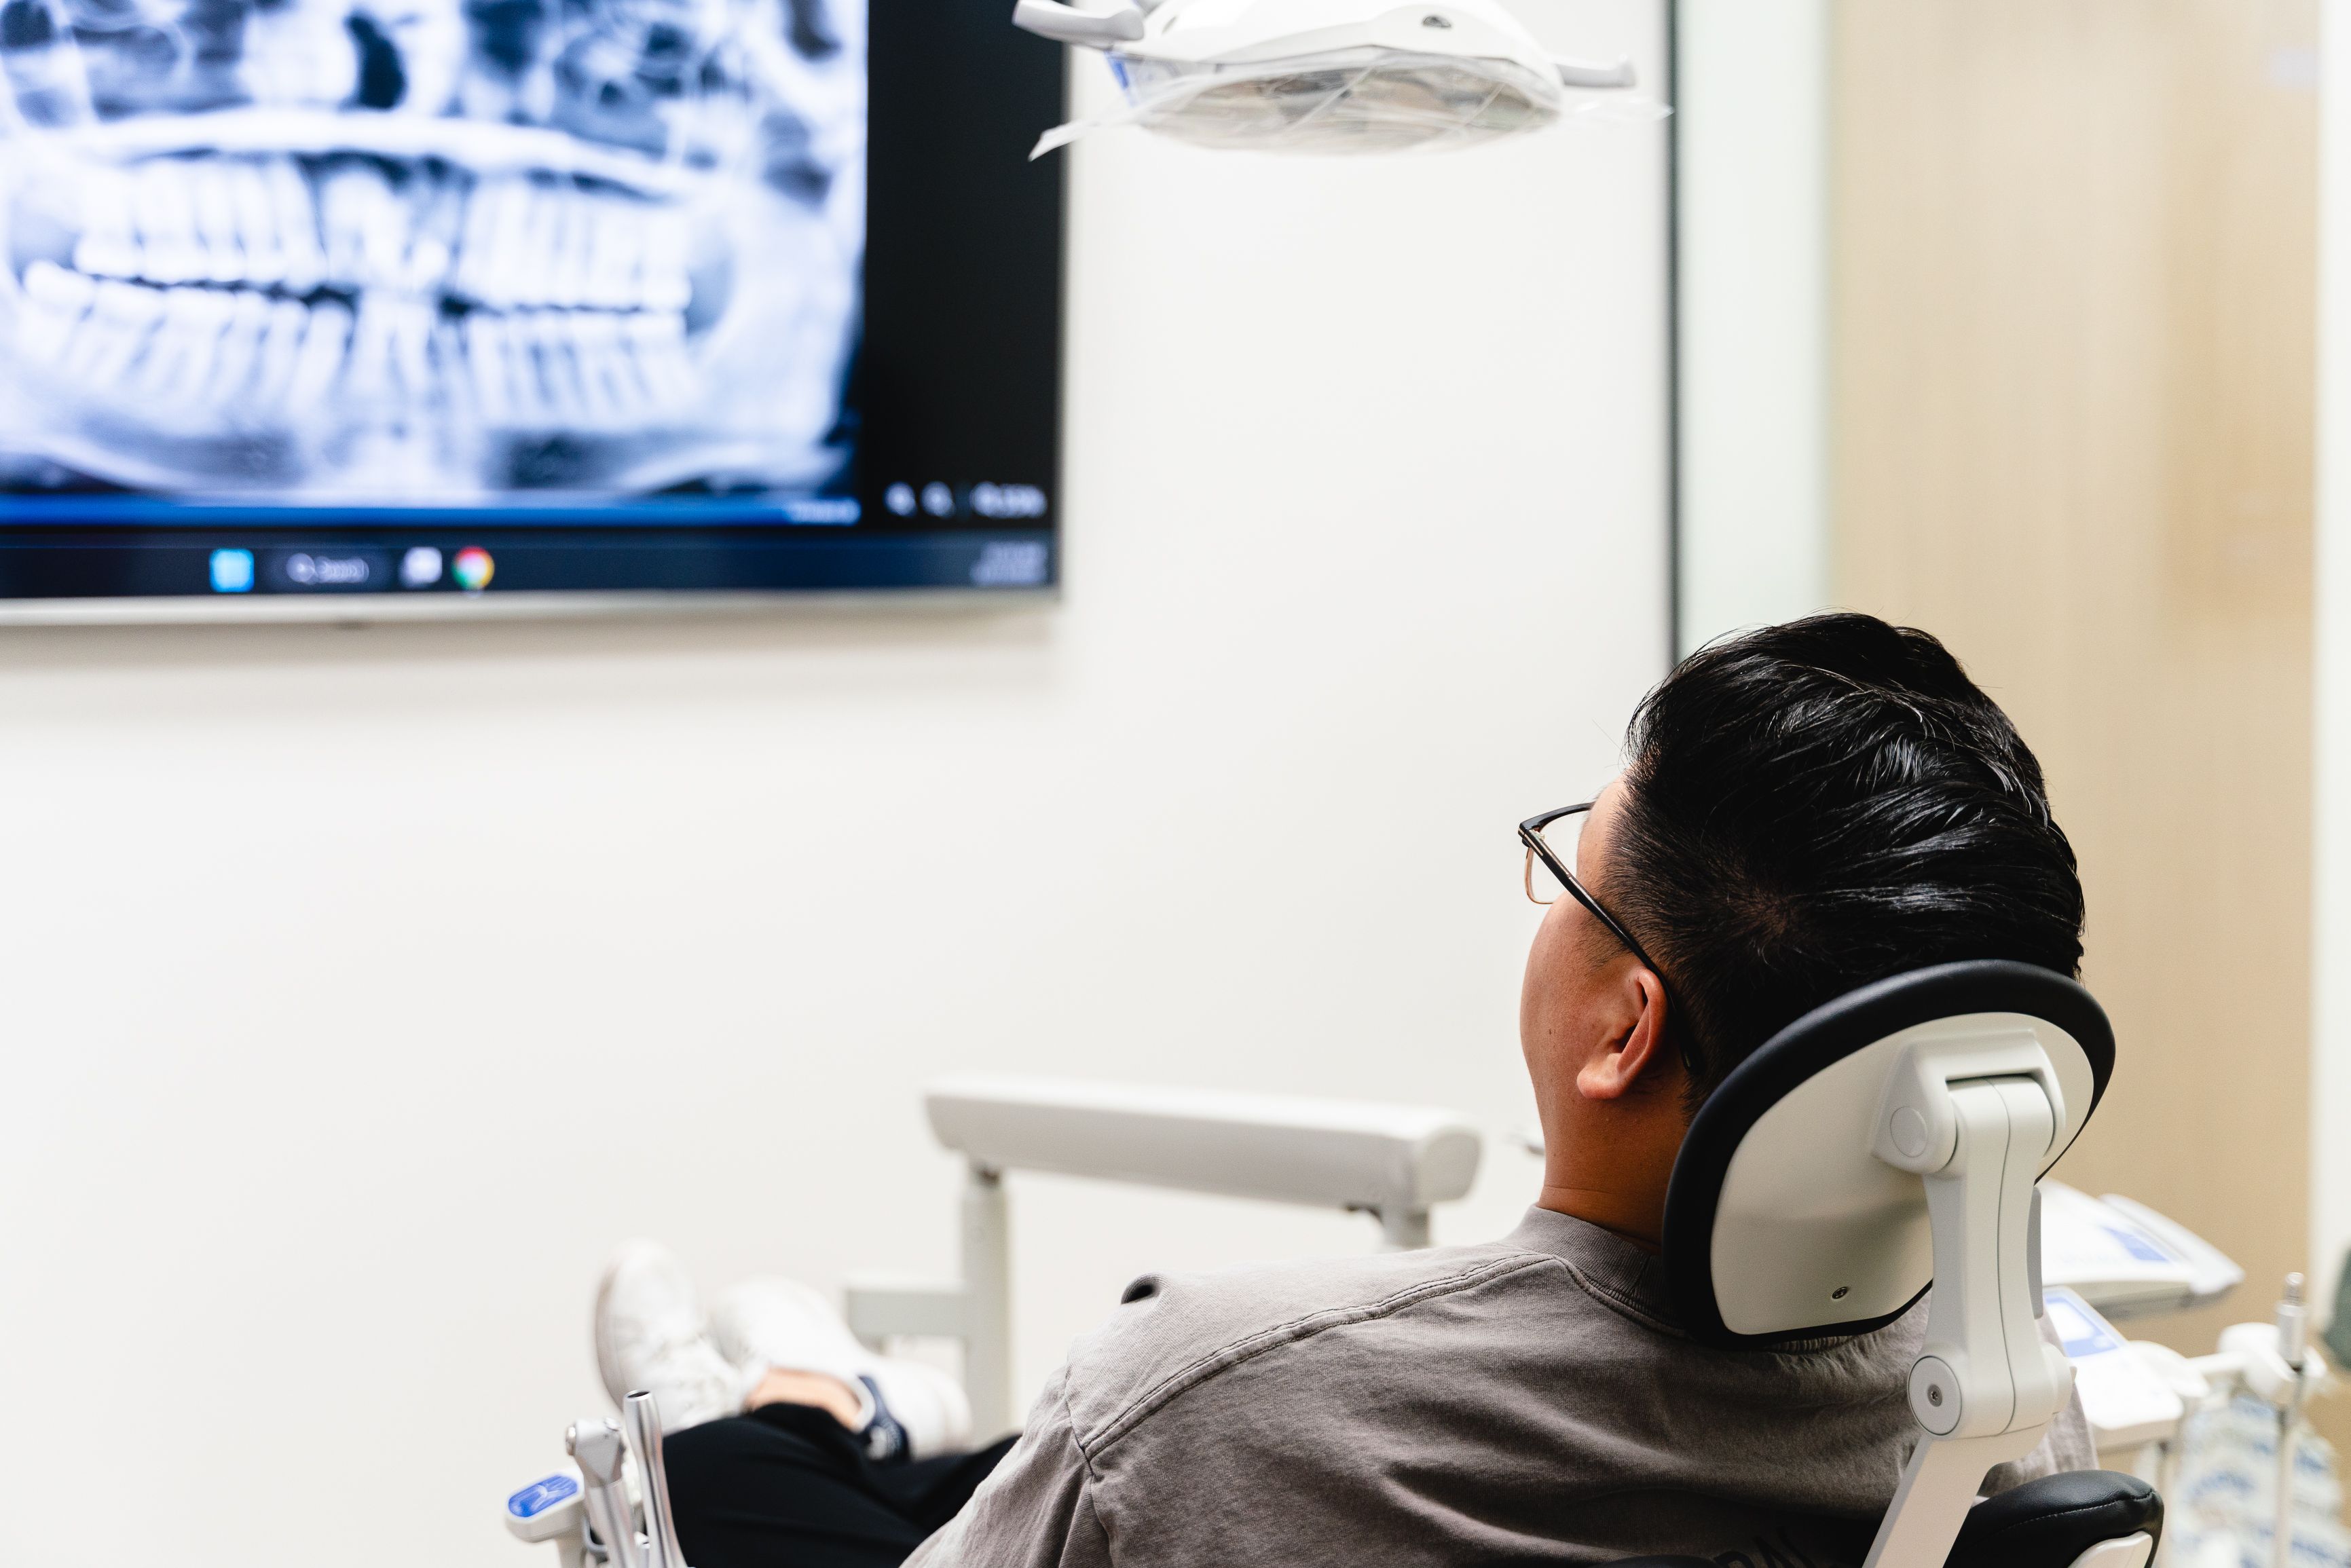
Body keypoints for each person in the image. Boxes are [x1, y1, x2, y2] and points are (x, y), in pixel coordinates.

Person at [594, 613, 2100, 1568]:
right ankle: (871, 1417)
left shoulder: (1209, 1400)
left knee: (728, 1479)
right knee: (994, 1461)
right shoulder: (2004, 1430)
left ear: (1624, 1028)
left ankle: (797, 1406)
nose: (1551, 896)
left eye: (1572, 865)